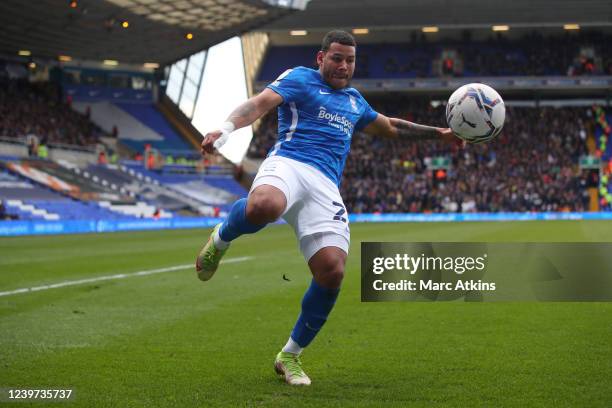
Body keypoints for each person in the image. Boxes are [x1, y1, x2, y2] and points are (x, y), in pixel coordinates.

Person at [196, 30, 459, 386]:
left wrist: (437, 133)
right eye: (337, 58)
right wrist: (225, 129)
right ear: (321, 58)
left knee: (333, 271)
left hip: (325, 185)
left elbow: (391, 127)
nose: (343, 66)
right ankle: (221, 239)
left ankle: (289, 355)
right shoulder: (299, 78)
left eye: (350, 60)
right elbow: (258, 104)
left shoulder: (354, 102)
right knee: (265, 205)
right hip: (288, 163)